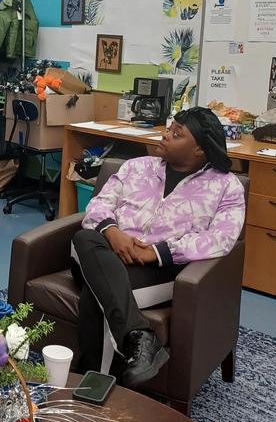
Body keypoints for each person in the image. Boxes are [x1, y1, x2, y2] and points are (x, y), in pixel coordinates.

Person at [72, 107, 245, 389]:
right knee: (84, 238)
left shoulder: (226, 187)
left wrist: (157, 252)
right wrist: (113, 233)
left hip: (158, 270)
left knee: (97, 294)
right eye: (169, 129)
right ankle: (139, 335)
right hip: (106, 251)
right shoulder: (137, 167)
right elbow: (98, 205)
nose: (165, 135)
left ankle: (92, 387)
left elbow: (220, 239)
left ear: (199, 149)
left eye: (177, 134)